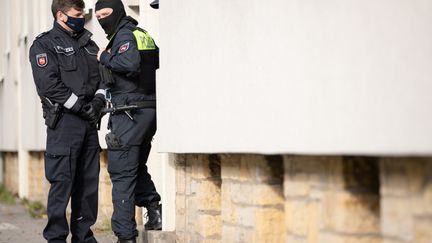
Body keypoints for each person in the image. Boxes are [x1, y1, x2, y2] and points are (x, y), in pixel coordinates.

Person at [29, 0, 105, 242]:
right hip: (64, 124)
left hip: (89, 123)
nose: (81, 17)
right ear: (61, 15)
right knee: (62, 184)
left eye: (82, 13)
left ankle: (84, 237)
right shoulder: (44, 44)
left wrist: (98, 103)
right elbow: (49, 85)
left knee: (88, 185)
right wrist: (81, 106)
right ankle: (57, 238)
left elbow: (104, 76)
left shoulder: (89, 44)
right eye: (77, 13)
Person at [94, 0, 162, 242]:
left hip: (129, 113)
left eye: (106, 13)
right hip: (148, 111)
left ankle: (125, 236)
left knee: (121, 173)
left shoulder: (124, 36)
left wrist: (104, 57)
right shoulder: (142, 34)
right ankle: (153, 209)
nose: (102, 19)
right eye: (98, 15)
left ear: (119, 12)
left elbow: (129, 65)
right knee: (134, 167)